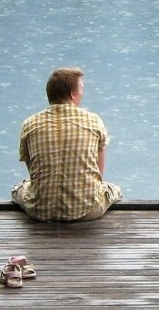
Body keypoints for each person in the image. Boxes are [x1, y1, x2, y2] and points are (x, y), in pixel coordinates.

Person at [11, 67, 122, 222]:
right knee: (113, 190)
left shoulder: (29, 124)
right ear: (72, 94)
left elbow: (33, 172)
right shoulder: (93, 121)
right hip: (86, 210)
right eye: (81, 89)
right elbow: (99, 175)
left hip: (40, 210)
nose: (82, 93)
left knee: (19, 189)